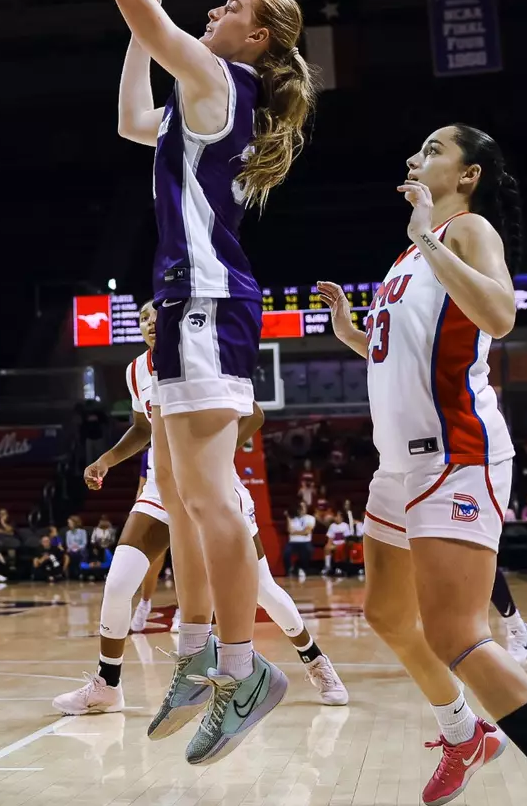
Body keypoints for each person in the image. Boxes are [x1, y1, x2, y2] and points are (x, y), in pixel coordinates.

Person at [320, 124, 527, 806]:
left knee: (457, 633)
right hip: (397, 465)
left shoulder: (466, 229)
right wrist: (355, 337)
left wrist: (429, 235)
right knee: (388, 616)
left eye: (431, 150)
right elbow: (409, 351)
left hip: (457, 453)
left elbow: (496, 315)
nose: (412, 157)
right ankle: (463, 735)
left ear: (468, 174)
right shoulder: (408, 255)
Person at [106, 0, 316, 764]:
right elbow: (128, 122)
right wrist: (140, 29)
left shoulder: (221, 77)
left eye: (231, 5)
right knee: (189, 499)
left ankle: (243, 662)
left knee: (212, 498)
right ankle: (199, 654)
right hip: (195, 302)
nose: (216, 8)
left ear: (253, 36)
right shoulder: (204, 97)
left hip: (199, 300)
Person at [54, 301, 347, 720]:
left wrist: (214, 454)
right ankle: (107, 686)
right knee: (119, 584)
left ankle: (315, 660)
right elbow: (142, 427)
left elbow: (256, 414)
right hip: (160, 488)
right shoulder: (136, 371)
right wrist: (106, 460)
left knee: (263, 589)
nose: (151, 323)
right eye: (143, 319)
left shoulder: (203, 357)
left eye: (158, 316)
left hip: (211, 485)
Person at [284, 503, 317, 577]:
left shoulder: (310, 518)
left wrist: (294, 532)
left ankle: (303, 569)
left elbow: (307, 532)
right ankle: (289, 571)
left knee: (308, 550)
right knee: (286, 553)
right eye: (300, 507)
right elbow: (289, 530)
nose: (302, 509)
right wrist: (288, 518)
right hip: (292, 542)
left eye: (303, 507)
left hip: (305, 542)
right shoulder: (292, 518)